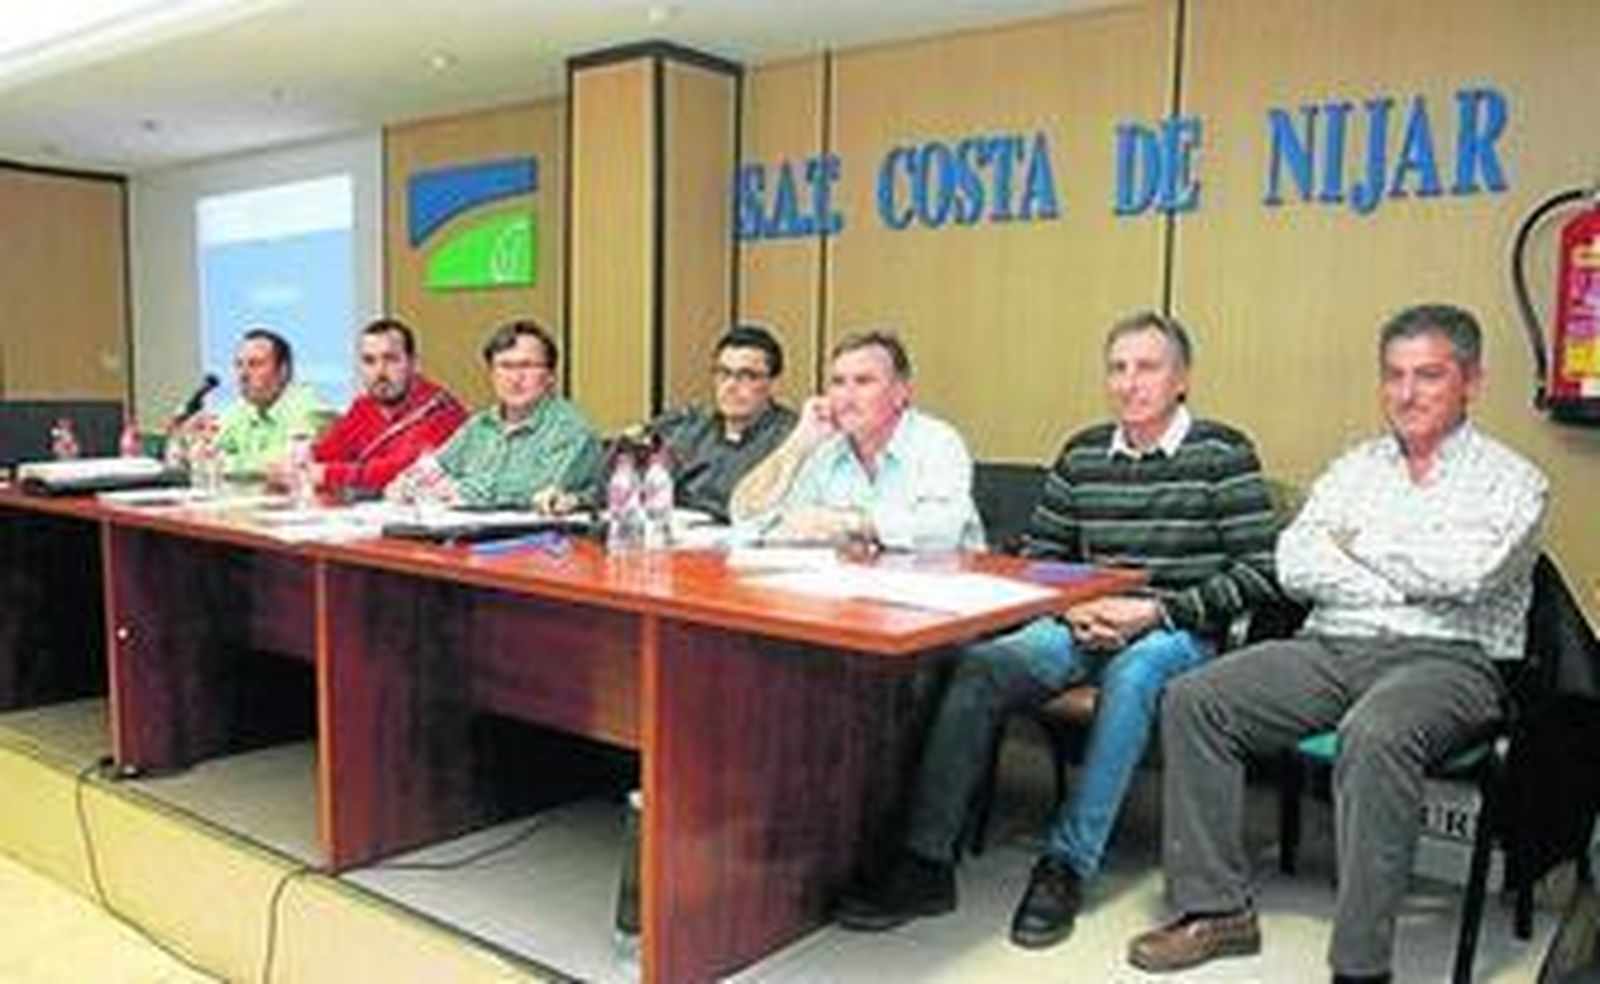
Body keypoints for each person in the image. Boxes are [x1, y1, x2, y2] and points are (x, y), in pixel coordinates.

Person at [831, 311, 1284, 949]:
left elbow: (1263, 572)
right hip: (1083, 620)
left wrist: (1155, 613)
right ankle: (926, 861)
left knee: (1134, 675)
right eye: (1118, 368)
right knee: (980, 665)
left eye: (1147, 367)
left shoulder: (1222, 452)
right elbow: (1041, 556)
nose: (1130, 383)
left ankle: (1066, 864)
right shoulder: (1083, 452)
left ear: (1182, 378)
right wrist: (1070, 608)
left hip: (1176, 629)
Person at [1128, 304, 1548, 984]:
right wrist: (1407, 568)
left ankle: (1360, 967)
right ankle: (1217, 910)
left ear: (1471, 381)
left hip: (1450, 661)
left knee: (1376, 735)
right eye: (1394, 376)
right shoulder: (1356, 466)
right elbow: (1295, 564)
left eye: (1429, 376)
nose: (1406, 393)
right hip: (1331, 646)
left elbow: (1469, 576)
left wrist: (1362, 545)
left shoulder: (1516, 480)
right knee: (1194, 698)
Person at [728, 329, 983, 550]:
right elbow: (746, 517)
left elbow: (942, 531)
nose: (846, 397)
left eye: (863, 381)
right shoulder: (824, 446)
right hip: (852, 588)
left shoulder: (937, 442)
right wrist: (799, 442)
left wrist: (850, 523)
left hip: (940, 590)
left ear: (901, 392)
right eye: (838, 382)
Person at [387, 318, 599, 508]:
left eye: (526, 366)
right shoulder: (480, 425)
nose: (515, 378)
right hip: (462, 539)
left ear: (551, 376)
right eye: (505, 366)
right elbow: (431, 468)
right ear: (491, 374)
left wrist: (457, 490)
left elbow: (537, 491)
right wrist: (407, 484)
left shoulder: (571, 430)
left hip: (535, 545)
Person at [267, 318, 466, 498]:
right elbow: (331, 450)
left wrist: (325, 474)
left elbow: (406, 469)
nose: (379, 372)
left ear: (414, 364)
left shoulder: (440, 410)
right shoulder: (364, 406)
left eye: (390, 359)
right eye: (369, 361)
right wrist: (299, 460)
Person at [639, 324, 797, 519]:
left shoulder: (792, 437)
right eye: (723, 373)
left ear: (773, 384)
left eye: (747, 376)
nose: (730, 386)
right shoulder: (689, 428)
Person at [213, 328, 327, 474]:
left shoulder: (310, 410)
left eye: (255, 364)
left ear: (283, 371)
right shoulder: (238, 409)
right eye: (238, 364)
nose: (243, 374)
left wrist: (228, 463)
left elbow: (283, 466)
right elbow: (210, 455)